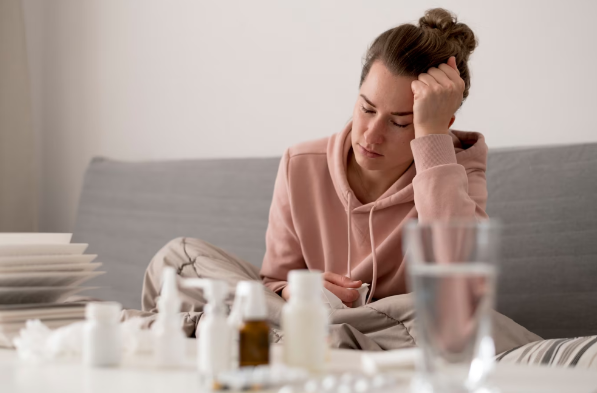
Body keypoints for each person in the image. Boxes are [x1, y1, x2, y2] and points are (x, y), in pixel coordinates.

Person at [132, 7, 541, 351]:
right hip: (327, 325)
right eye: (366, 108)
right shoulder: (300, 164)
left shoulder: (456, 164)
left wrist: (433, 141)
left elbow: (460, 282)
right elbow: (272, 281)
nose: (372, 134)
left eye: (400, 123)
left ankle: (286, 336)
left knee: (454, 315)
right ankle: (325, 338)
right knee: (178, 258)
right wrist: (296, 290)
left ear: (436, 121)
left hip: (401, 324)